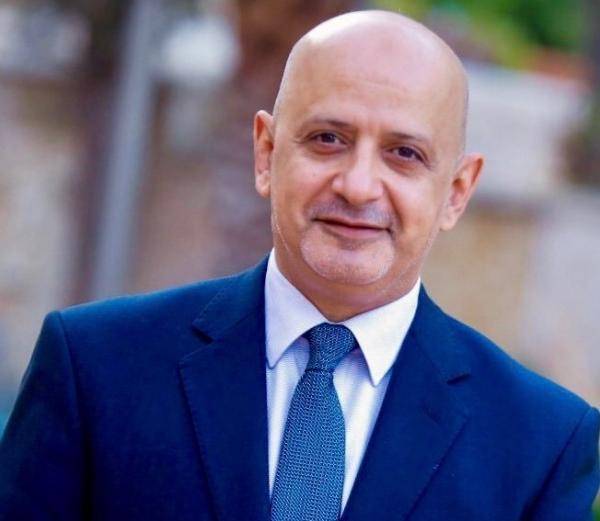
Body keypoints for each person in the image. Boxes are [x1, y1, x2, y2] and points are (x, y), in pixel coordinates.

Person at [1, 10, 598, 521]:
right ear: (266, 152)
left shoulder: (542, 444)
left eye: (404, 153)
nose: (359, 186)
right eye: (328, 139)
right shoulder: (95, 368)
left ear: (457, 191)